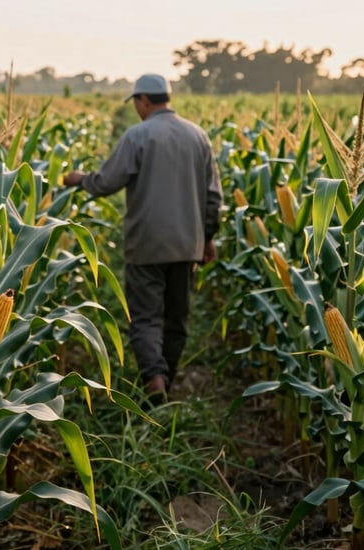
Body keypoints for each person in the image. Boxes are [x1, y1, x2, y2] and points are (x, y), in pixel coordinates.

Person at [63, 73, 222, 405]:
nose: (136, 108)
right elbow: (212, 196)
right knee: (176, 317)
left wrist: (81, 180)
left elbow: (107, 181)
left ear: (144, 100)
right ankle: (167, 379)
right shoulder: (198, 137)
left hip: (147, 244)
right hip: (187, 244)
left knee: (146, 316)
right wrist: (207, 238)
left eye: (136, 102)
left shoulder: (138, 135)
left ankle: (154, 380)